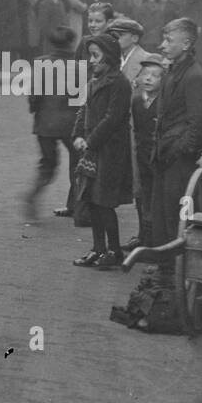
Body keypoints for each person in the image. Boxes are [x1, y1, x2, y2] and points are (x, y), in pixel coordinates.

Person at [149, 17, 202, 252]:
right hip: (165, 156)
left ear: (186, 44)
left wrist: (180, 150)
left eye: (168, 40)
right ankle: (163, 270)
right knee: (162, 216)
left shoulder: (194, 77)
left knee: (174, 219)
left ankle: (170, 272)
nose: (162, 46)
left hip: (177, 160)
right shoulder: (174, 71)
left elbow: (199, 123)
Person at [71, 31, 133, 270]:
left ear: (108, 57)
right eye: (91, 55)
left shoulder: (119, 83)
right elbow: (84, 110)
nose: (92, 60)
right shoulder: (95, 80)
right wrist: (77, 134)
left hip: (110, 151)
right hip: (93, 149)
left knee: (104, 202)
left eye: (96, 56)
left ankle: (114, 250)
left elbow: (112, 118)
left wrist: (91, 141)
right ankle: (98, 248)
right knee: (92, 199)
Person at [21, 26, 79, 221]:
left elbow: (34, 95)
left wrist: (36, 111)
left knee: (47, 164)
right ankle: (79, 203)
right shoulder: (80, 65)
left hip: (45, 123)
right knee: (80, 161)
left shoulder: (40, 63)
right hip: (71, 123)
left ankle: (33, 194)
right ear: (72, 42)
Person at [126, 53, 164, 251]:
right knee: (141, 195)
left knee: (155, 196)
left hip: (157, 157)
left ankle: (153, 237)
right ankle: (143, 234)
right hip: (140, 155)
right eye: (145, 73)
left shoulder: (164, 103)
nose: (148, 78)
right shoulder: (136, 100)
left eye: (155, 75)